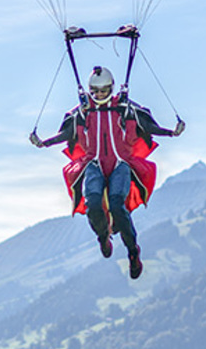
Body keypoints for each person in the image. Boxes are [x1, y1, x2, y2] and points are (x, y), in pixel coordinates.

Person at [31, 66, 182, 279]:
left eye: (103, 90)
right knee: (92, 202)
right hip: (93, 163)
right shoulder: (82, 112)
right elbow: (66, 134)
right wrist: (44, 143)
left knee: (117, 205)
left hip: (121, 163)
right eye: (96, 91)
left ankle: (132, 252)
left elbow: (147, 126)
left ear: (111, 88)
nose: (100, 95)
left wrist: (171, 132)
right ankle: (103, 235)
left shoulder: (125, 108)